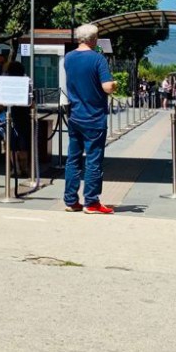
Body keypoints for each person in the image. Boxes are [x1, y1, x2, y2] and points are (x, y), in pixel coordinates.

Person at [63, 23, 117, 214]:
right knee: (93, 159)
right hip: (94, 116)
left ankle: (70, 200)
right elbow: (107, 87)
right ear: (93, 39)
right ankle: (91, 202)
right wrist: (114, 84)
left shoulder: (68, 58)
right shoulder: (98, 59)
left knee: (73, 159)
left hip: (75, 115)